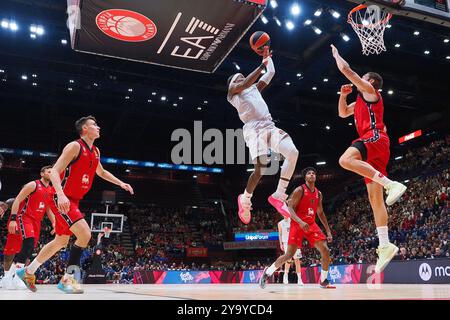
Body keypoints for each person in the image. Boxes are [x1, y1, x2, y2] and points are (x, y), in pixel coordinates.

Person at [17, 116, 134, 293]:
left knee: (60, 242)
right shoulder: (74, 146)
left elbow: (100, 171)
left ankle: (27, 271)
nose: (98, 127)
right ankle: (67, 279)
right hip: (62, 198)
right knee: (85, 235)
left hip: (74, 199)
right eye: (94, 125)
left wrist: (120, 183)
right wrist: (61, 194)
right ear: (84, 129)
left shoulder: (95, 151)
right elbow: (55, 171)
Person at [331, 44, 406, 273]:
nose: (359, 81)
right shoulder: (360, 102)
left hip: (374, 137)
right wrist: (343, 97)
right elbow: (343, 113)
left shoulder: (372, 94)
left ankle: (390, 184)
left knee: (345, 160)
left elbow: (348, 72)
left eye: (363, 79)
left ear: (370, 82)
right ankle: (385, 245)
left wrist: (336, 55)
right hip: (377, 147)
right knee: (375, 201)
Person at [227, 47, 299, 224]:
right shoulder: (232, 93)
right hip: (253, 129)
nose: (242, 78)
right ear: (232, 84)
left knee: (293, 152)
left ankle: (279, 194)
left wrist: (267, 58)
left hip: (269, 125)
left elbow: (271, 72)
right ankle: (245, 199)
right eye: (239, 77)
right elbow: (243, 84)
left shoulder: (255, 89)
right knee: (261, 168)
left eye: (243, 76)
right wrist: (260, 66)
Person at [260, 167, 335, 289]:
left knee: (325, 250)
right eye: (309, 173)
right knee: (289, 255)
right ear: (305, 177)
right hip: (297, 223)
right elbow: (290, 208)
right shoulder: (299, 190)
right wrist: (300, 222)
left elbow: (320, 213)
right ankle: (268, 272)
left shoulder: (318, 194)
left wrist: (328, 231)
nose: (312, 174)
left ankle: (323, 280)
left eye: (313, 173)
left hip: (311, 224)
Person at [1, 166, 56, 290]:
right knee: (22, 246)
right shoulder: (33, 185)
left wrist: (54, 222)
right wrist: (13, 219)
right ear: (42, 173)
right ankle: (12, 277)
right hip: (24, 217)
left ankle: (11, 277)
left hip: (36, 221)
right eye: (49, 171)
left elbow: (48, 208)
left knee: (29, 249)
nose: (52, 173)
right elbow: (16, 200)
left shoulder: (51, 190)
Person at [278, 217, 304, 285]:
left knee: (297, 260)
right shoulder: (280, 223)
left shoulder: (293, 221)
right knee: (288, 260)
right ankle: (285, 275)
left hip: (295, 241)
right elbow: (280, 234)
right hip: (286, 242)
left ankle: (299, 279)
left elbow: (298, 231)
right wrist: (281, 244)